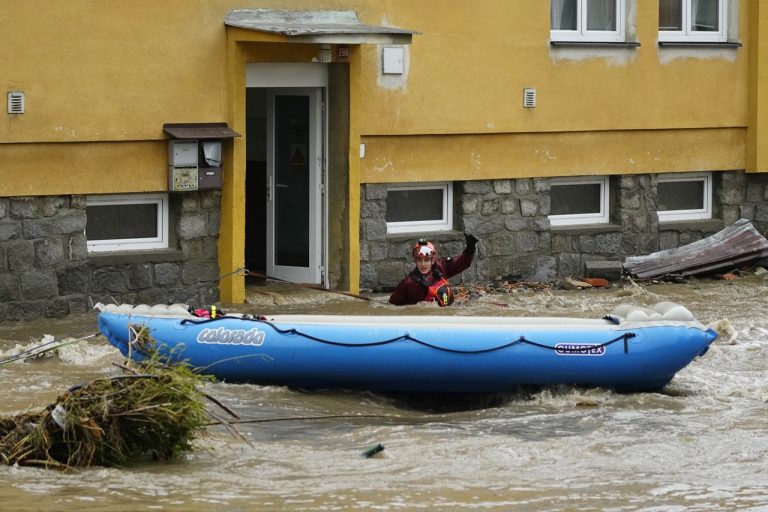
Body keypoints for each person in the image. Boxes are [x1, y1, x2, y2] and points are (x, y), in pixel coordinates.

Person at [389, 233, 478, 306]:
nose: (423, 264)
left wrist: (470, 248)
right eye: (419, 260)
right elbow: (392, 305)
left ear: (433, 260)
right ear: (415, 261)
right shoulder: (408, 284)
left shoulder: (442, 266)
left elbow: (462, 263)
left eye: (426, 260)